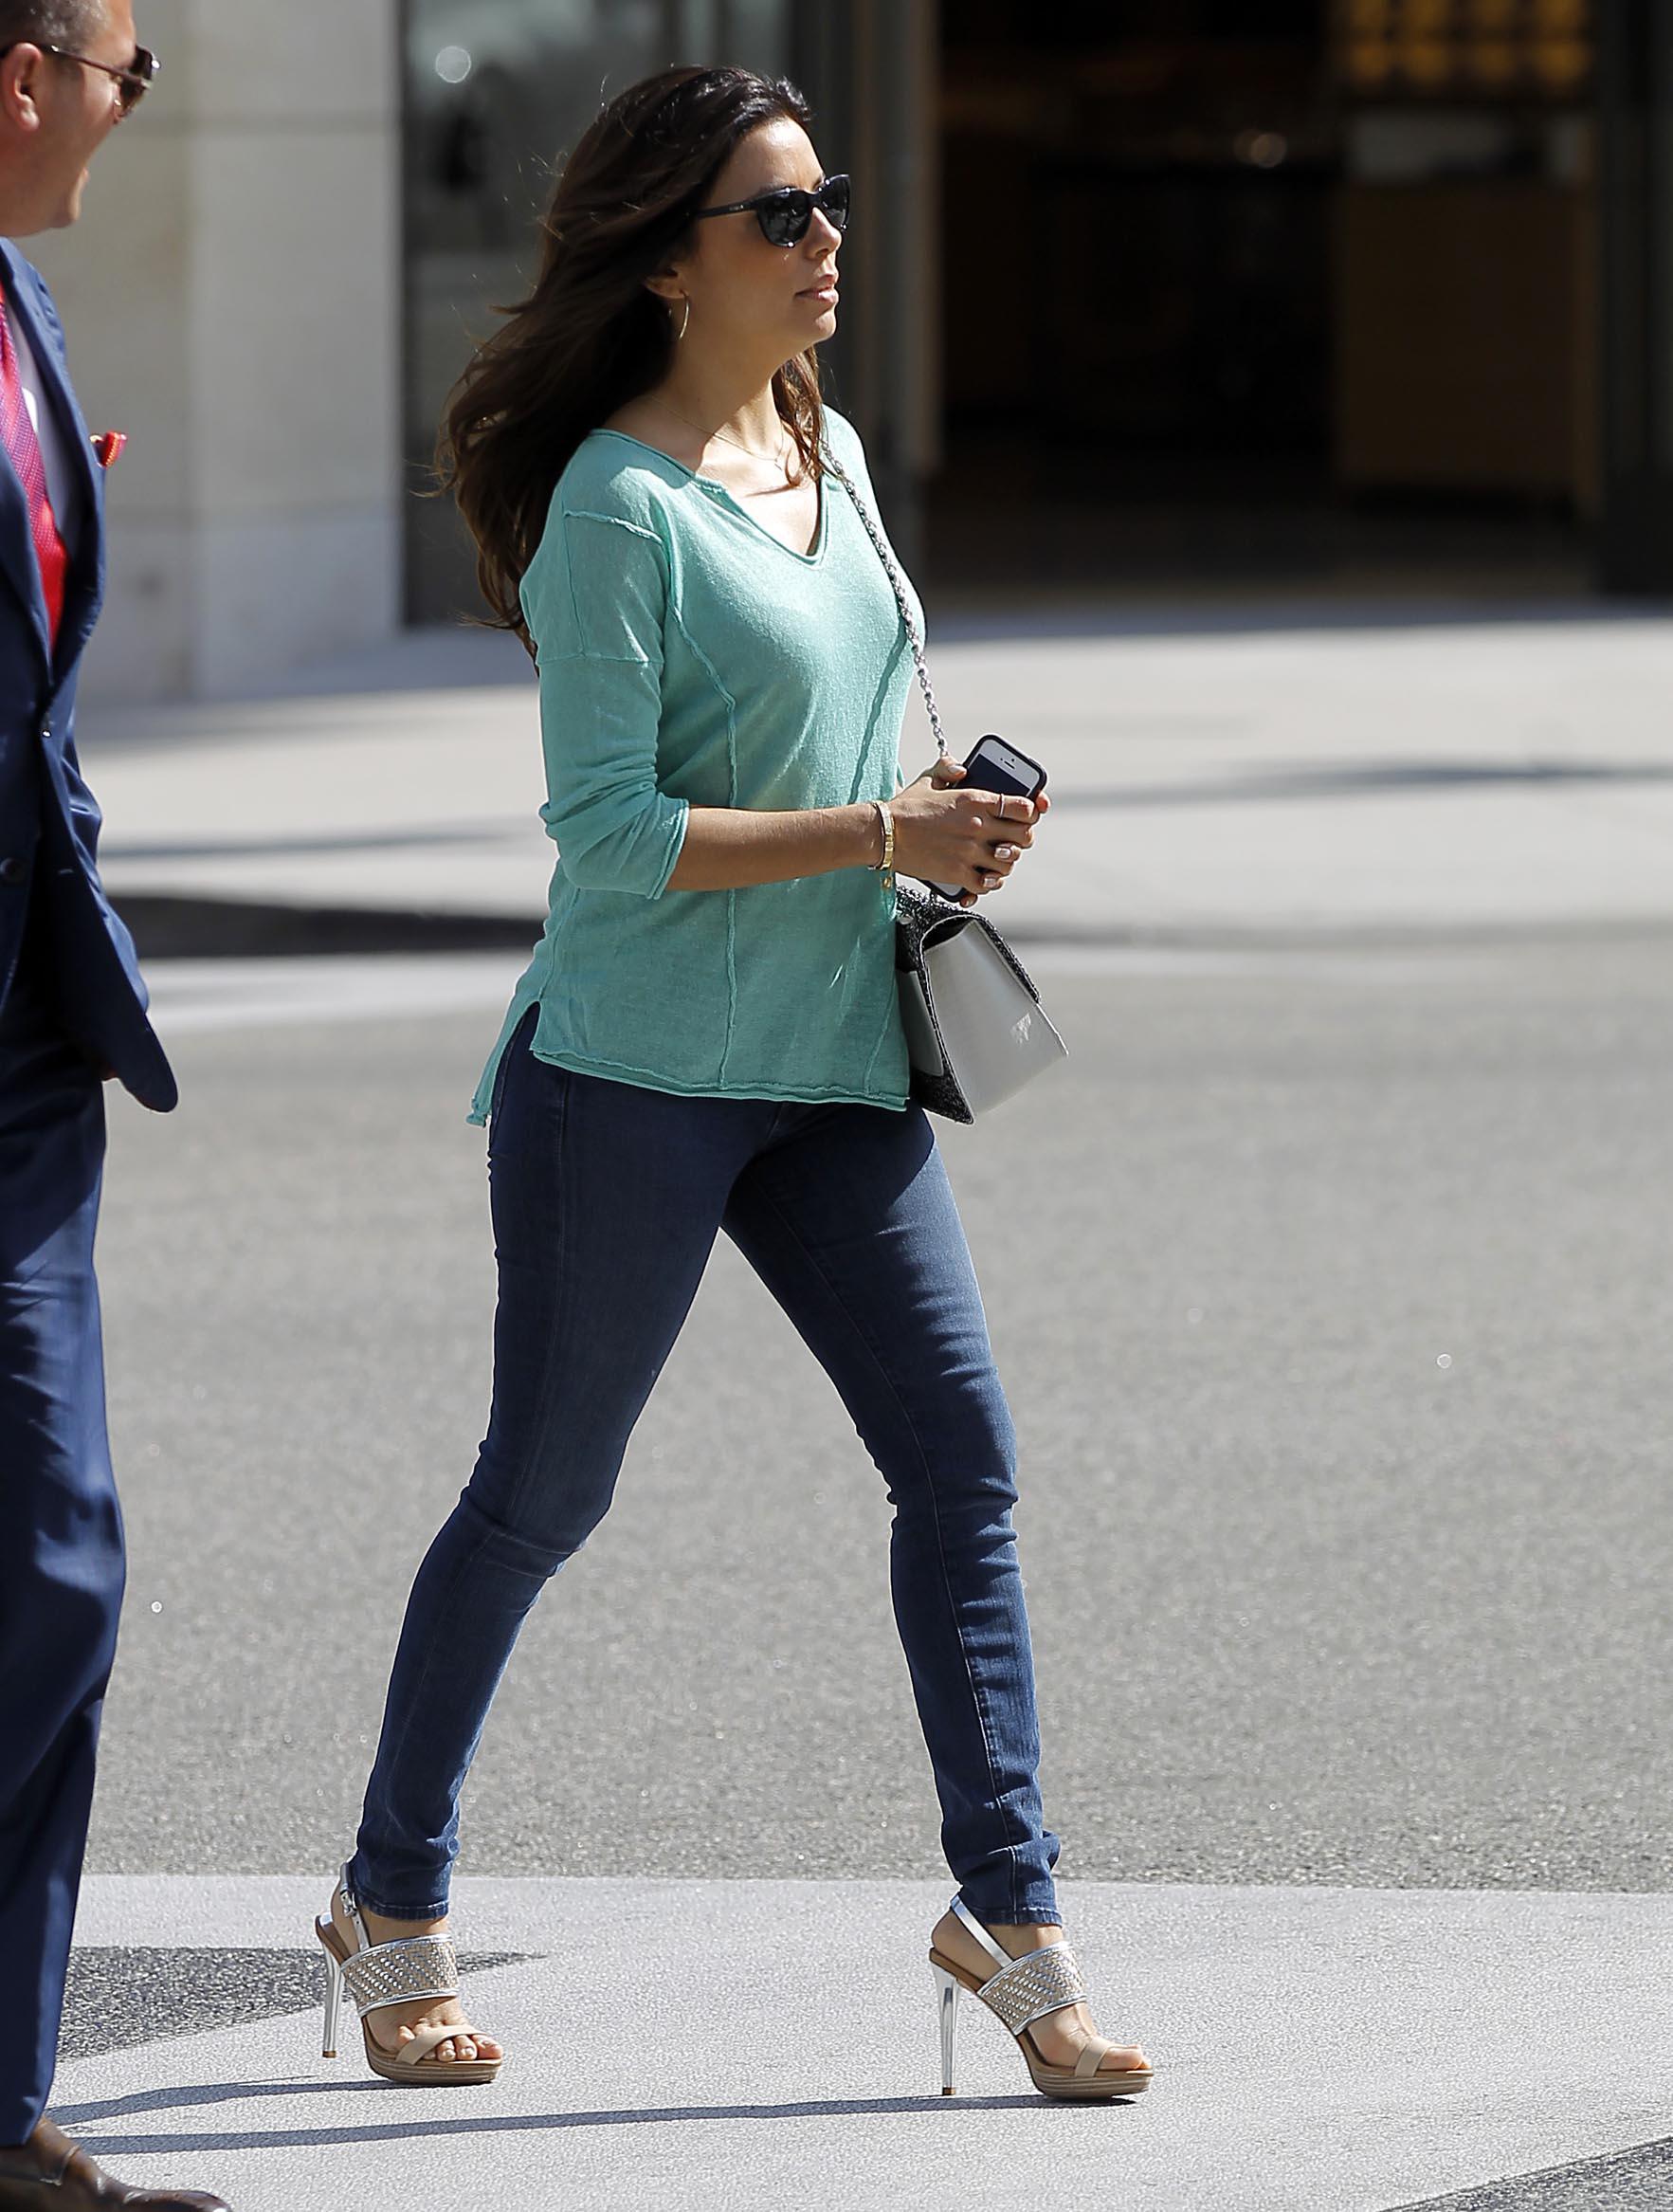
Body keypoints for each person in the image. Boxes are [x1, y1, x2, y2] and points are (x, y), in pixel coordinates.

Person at [318, 64, 1152, 2105]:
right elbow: (607, 834)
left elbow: (861, 745)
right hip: (635, 1076)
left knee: (960, 1463)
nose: (825, 241)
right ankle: (389, 1904)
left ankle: (1009, 1913)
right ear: (671, 262)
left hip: (835, 1060)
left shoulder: (826, 445)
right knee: (544, 1493)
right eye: (779, 216)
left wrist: (948, 822)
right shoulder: (618, 506)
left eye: (827, 201)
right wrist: (882, 831)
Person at [0, 8, 228, 2206]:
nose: (131, 113)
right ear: (25, 69)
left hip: (18, 1050)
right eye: (128, 71)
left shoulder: (23, 306)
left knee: (53, 1558)